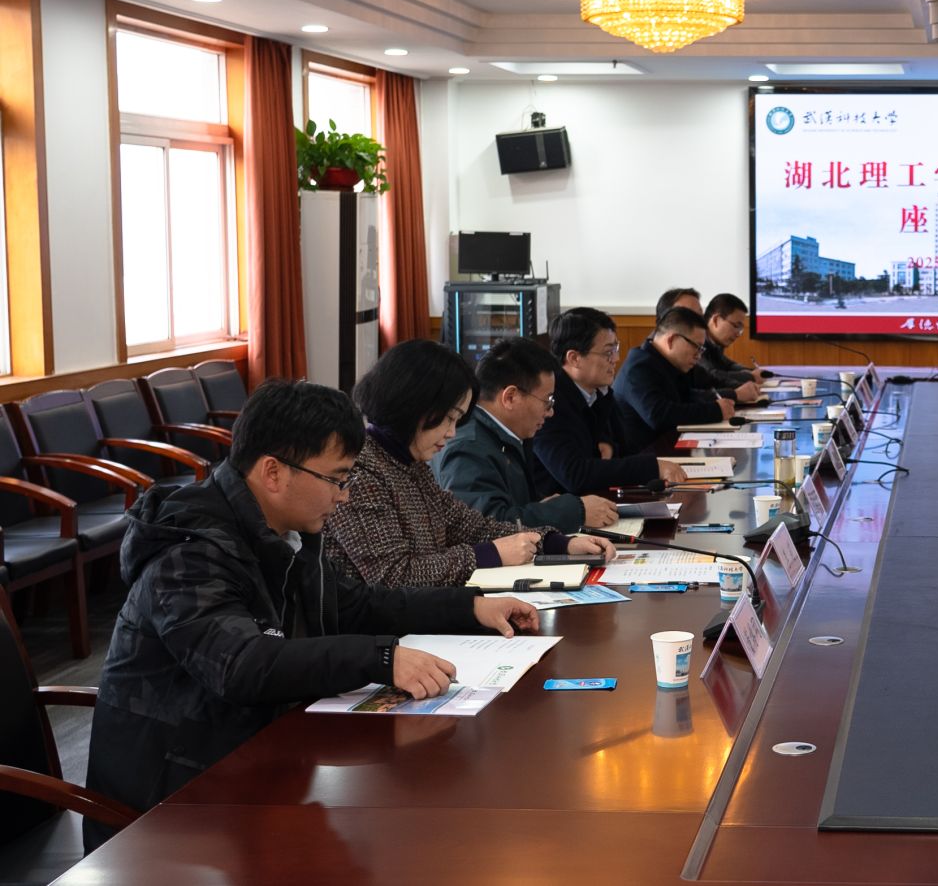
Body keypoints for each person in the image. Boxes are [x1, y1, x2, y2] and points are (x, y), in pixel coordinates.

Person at [82, 380, 541, 847]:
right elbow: (240, 664)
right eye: (337, 480)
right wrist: (381, 659)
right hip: (174, 807)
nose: (344, 497)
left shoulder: (285, 530)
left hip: (261, 761)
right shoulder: (189, 552)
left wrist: (469, 606)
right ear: (274, 472)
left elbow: (355, 605)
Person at [326, 339, 610, 586]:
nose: (452, 432)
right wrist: (490, 554)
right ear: (414, 406)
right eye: (449, 418)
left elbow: (473, 526)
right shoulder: (360, 472)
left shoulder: (410, 464)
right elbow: (394, 576)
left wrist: (556, 542)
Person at [435, 338, 619, 536]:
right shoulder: (468, 448)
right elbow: (484, 528)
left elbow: (513, 507)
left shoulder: (501, 433)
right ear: (510, 397)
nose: (550, 412)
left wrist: (544, 507)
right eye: (548, 400)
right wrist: (575, 511)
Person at [534, 306, 694, 495]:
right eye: (608, 352)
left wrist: (608, 443)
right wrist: (653, 467)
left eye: (616, 349)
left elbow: (625, 450)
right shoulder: (549, 402)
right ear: (574, 358)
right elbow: (575, 475)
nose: (616, 358)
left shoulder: (600, 393)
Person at [614, 305, 737, 452]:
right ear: (672, 340)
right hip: (642, 457)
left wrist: (725, 401)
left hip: (666, 449)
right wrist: (715, 410)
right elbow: (659, 416)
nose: (698, 356)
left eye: (701, 349)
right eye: (696, 347)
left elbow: (688, 397)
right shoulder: (638, 367)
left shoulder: (669, 363)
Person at [703, 292, 772, 389]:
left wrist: (751, 371)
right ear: (716, 320)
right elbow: (710, 375)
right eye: (736, 326)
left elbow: (729, 365)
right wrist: (750, 376)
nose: (738, 334)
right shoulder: (697, 341)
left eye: (741, 329)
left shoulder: (715, 343)